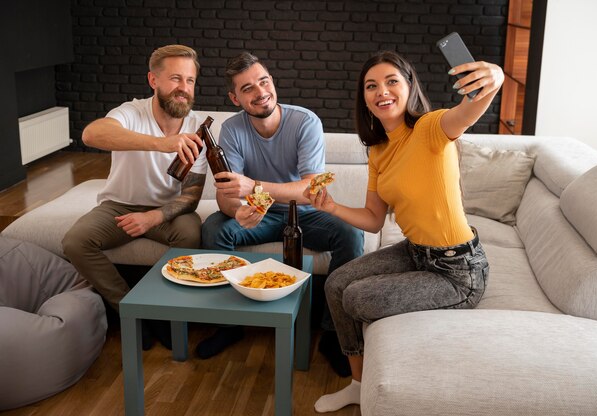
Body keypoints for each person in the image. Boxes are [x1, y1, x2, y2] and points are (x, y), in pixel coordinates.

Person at [308, 50, 503, 413]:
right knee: (335, 285)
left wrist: (495, 78)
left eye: (391, 81)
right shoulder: (378, 151)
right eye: (371, 85)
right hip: (416, 252)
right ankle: (357, 384)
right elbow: (372, 219)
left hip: (458, 271)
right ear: (364, 98)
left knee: (356, 298)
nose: (381, 91)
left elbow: (469, 109)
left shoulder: (431, 128)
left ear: (409, 87)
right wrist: (331, 207)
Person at [197, 52, 364, 371]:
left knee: (351, 235)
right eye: (247, 88)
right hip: (257, 214)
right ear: (235, 98)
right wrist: (237, 211)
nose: (260, 92)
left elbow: (310, 189)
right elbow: (226, 194)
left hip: (303, 212)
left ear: (272, 82)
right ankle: (228, 325)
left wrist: (254, 187)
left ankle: (333, 333)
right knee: (213, 230)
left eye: (264, 81)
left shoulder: (305, 121)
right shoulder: (231, 130)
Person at [62, 44, 208, 350]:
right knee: (76, 241)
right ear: (153, 81)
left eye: (190, 80)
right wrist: (162, 143)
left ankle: (165, 313)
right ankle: (130, 310)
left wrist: (153, 217)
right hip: (118, 205)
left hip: (168, 210)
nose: (184, 88)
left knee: (190, 235)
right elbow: (91, 135)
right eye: (175, 79)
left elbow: (192, 196)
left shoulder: (199, 128)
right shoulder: (131, 112)